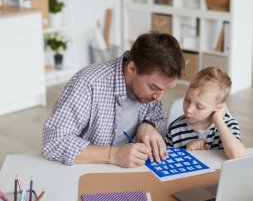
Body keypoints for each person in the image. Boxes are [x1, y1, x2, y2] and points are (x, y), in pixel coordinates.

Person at [42, 31, 185, 167]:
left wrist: (147, 125)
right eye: (154, 87)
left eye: (166, 89)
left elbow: (156, 117)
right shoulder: (88, 83)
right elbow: (54, 142)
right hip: (87, 174)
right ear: (132, 69)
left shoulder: (151, 92)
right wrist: (114, 155)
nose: (159, 97)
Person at [165, 67, 245, 159]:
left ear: (218, 107)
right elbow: (166, 161)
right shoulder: (174, 129)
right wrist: (186, 151)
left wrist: (218, 120)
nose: (189, 110)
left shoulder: (228, 125)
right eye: (187, 100)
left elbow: (237, 155)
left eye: (199, 107)